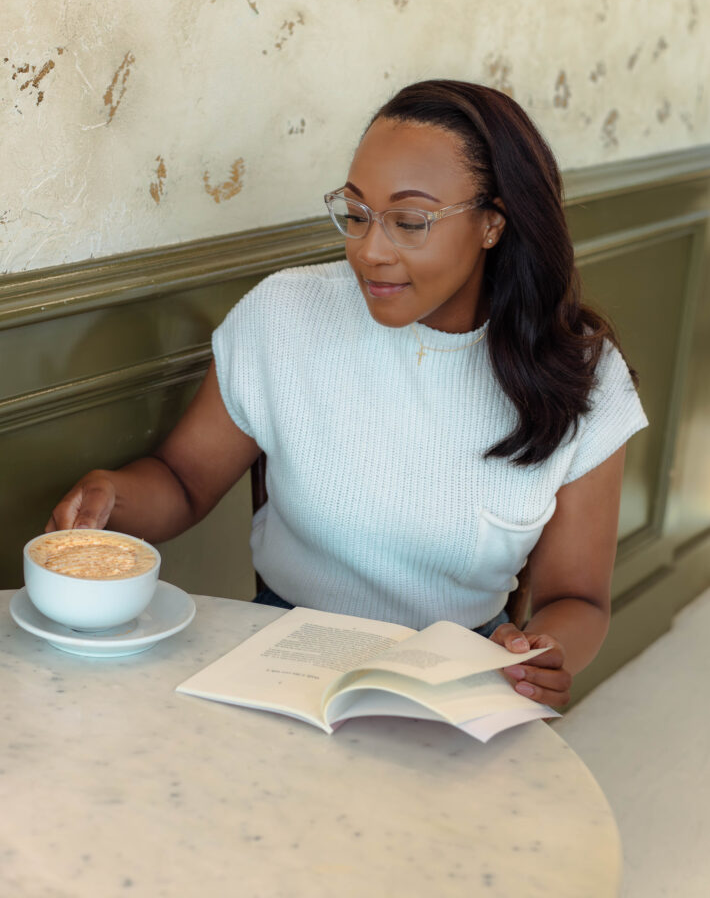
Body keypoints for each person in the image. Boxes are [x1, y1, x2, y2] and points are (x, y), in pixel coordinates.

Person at [46, 80, 647, 708]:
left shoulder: (582, 374)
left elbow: (576, 599)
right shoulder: (285, 315)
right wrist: (112, 498)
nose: (369, 251)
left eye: (409, 222)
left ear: (493, 222)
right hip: (282, 652)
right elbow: (182, 480)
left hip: (464, 675)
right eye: (357, 214)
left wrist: (542, 653)